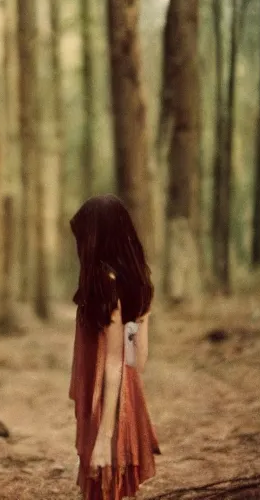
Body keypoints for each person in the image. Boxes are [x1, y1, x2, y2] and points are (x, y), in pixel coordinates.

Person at [68, 194, 160, 500]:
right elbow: (136, 359)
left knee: (105, 487)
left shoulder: (106, 284)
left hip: (106, 401)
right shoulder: (135, 283)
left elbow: (112, 362)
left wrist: (105, 436)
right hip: (124, 397)